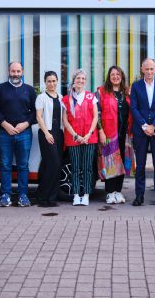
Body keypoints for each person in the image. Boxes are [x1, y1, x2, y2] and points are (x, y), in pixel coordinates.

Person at [0, 61, 37, 208]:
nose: (15, 74)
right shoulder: (0, 89)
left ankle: (23, 195)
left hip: (24, 133)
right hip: (4, 133)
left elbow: (36, 112)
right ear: (8, 71)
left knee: (23, 165)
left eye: (18, 71)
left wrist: (26, 124)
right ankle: (6, 195)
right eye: (13, 71)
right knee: (5, 165)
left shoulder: (29, 90)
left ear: (22, 71)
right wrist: (5, 124)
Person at [130, 58, 155, 207]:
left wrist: (154, 126)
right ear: (142, 69)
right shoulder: (136, 86)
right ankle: (139, 196)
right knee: (140, 165)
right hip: (141, 131)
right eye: (147, 69)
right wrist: (145, 126)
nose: (149, 72)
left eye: (152, 69)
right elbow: (134, 108)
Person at [62, 69, 98, 206]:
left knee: (87, 167)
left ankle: (86, 195)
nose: (81, 81)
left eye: (83, 79)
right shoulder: (67, 99)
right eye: (78, 78)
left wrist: (88, 134)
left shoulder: (91, 97)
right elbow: (64, 120)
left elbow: (95, 117)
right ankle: (76, 195)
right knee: (75, 167)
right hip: (73, 138)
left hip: (90, 138)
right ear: (74, 80)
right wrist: (76, 135)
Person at [96, 66, 131, 205]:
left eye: (118, 74)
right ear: (109, 77)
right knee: (110, 163)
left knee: (121, 162)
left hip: (125, 134)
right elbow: (96, 113)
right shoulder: (101, 91)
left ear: (122, 76)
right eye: (112, 74)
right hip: (109, 135)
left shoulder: (126, 93)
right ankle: (110, 192)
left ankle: (118, 191)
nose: (115, 76)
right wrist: (101, 131)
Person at [35, 71, 64, 208]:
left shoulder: (61, 97)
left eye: (54, 81)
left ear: (57, 81)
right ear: (45, 83)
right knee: (53, 164)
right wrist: (47, 133)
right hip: (47, 133)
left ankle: (52, 198)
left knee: (55, 166)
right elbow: (39, 117)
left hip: (59, 133)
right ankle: (42, 196)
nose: (52, 84)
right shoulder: (41, 97)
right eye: (49, 81)